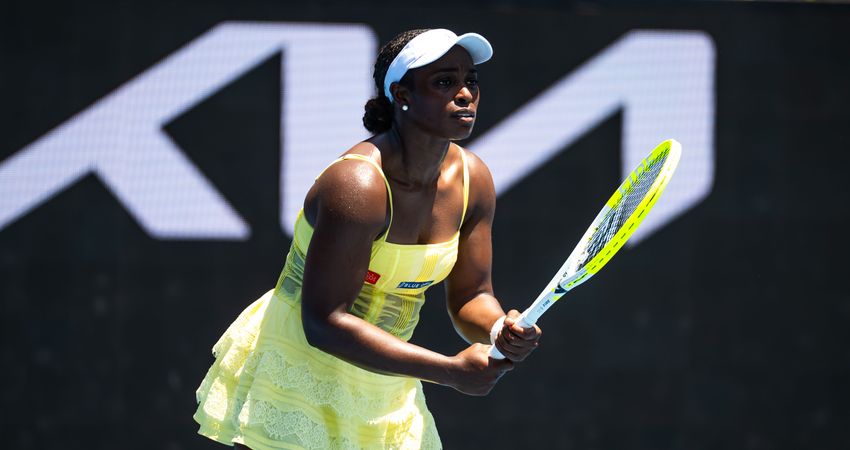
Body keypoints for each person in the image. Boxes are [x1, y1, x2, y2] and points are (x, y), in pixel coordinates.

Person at [193, 28, 543, 450]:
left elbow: (471, 294)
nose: (465, 94)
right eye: (444, 82)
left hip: (385, 386)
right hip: (298, 374)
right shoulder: (358, 184)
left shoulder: (474, 180)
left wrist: (498, 327)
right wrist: (450, 370)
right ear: (402, 94)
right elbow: (324, 323)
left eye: (470, 80)